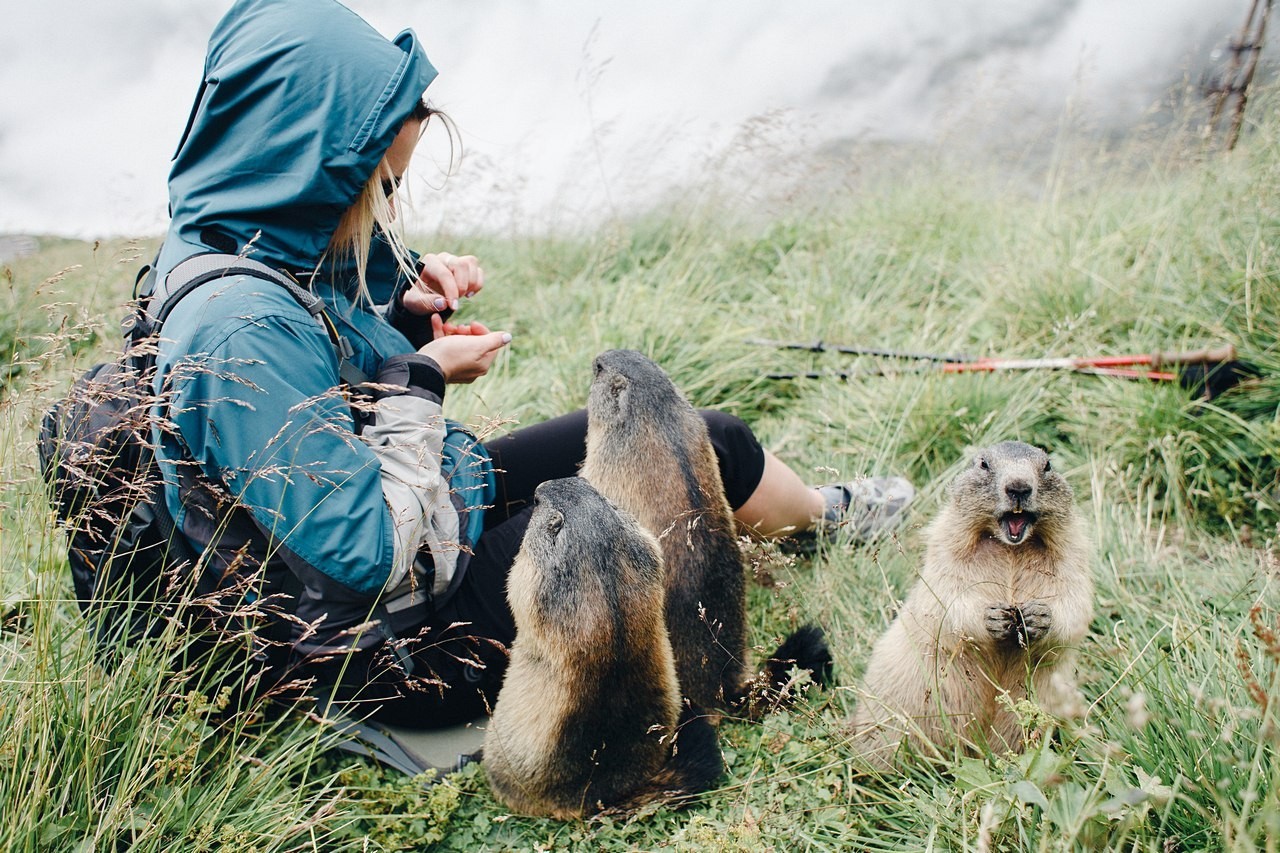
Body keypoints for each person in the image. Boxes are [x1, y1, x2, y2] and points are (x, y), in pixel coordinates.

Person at [151, 0, 913, 728]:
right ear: (303, 160)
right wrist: (425, 377)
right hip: (402, 646)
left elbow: (317, 381)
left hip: (439, 520)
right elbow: (369, 554)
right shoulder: (234, 329)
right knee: (659, 484)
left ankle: (819, 516)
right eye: (379, 184)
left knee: (673, 427)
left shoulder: (239, 231)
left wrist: (400, 310)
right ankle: (718, 629)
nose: (385, 210)